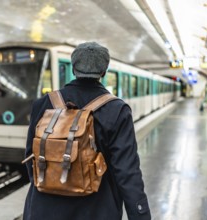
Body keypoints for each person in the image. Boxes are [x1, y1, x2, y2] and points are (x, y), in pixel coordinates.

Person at [23, 42, 151, 220]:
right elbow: (127, 171)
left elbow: (31, 157)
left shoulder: (43, 103)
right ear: (104, 72)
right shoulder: (117, 109)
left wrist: (52, 182)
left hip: (44, 209)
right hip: (97, 210)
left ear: (73, 69)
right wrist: (140, 214)